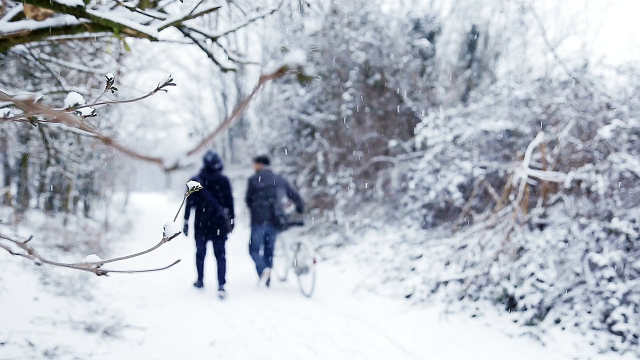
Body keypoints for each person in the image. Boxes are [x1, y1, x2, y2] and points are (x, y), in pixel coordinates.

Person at [245, 155, 304, 287]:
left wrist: (256, 209)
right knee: (269, 249)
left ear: (260, 165)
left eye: (255, 164)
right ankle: (268, 275)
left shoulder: (253, 180)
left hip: (258, 220)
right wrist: (299, 208)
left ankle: (262, 270)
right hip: (274, 219)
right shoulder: (279, 179)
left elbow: (248, 200)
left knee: (253, 249)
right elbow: (294, 196)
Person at [183, 150, 234, 299]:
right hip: (219, 224)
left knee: (200, 254)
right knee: (220, 255)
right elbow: (230, 203)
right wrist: (232, 220)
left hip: (201, 224)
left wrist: (186, 222)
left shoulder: (196, 180)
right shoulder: (223, 180)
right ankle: (221, 285)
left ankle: (200, 280)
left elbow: (188, 203)